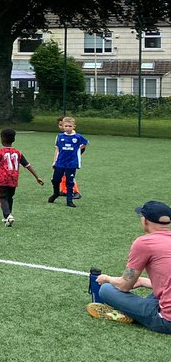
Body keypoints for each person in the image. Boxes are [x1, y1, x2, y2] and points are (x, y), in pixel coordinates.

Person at [88, 201, 171, 333]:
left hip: (166, 321)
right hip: (164, 301)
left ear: (145, 221)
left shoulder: (144, 243)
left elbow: (124, 285)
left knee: (106, 290)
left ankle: (132, 313)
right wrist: (143, 281)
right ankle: (136, 311)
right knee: (157, 294)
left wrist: (108, 278)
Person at [0, 127, 44, 227]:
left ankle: (8, 215)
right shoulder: (18, 153)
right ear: (14, 139)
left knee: (2, 198)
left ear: (1, 139)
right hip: (14, 179)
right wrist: (37, 177)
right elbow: (27, 165)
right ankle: (7, 217)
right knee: (10, 197)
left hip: (3, 179)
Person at [49, 116, 88, 208]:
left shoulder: (78, 137)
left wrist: (77, 151)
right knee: (55, 180)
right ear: (62, 126)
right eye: (66, 126)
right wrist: (54, 161)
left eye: (70, 126)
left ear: (74, 126)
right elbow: (58, 149)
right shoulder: (59, 136)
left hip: (71, 164)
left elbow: (85, 143)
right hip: (60, 163)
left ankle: (69, 200)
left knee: (70, 182)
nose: (68, 128)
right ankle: (55, 193)